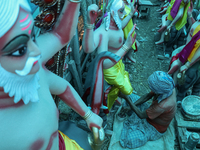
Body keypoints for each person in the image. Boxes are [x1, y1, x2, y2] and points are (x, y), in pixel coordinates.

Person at [0, 0, 103, 149]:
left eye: (32, 37)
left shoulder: (30, 71)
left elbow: (60, 36)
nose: (36, 51)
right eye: (20, 50)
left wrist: (88, 115)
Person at [82, 0, 137, 111]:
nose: (124, 13)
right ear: (113, 12)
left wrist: (130, 13)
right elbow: (103, 63)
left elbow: (120, 25)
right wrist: (126, 47)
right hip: (110, 70)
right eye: (122, 11)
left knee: (119, 86)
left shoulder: (114, 21)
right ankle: (107, 105)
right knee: (126, 89)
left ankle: (114, 96)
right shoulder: (104, 31)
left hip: (118, 63)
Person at [119, 71, 176, 149]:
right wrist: (131, 106)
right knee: (131, 96)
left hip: (153, 128)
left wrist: (127, 99)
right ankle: (131, 111)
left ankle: (136, 124)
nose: (151, 90)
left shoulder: (163, 105)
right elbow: (148, 96)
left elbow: (142, 115)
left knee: (128, 140)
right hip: (150, 113)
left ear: (159, 91)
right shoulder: (167, 87)